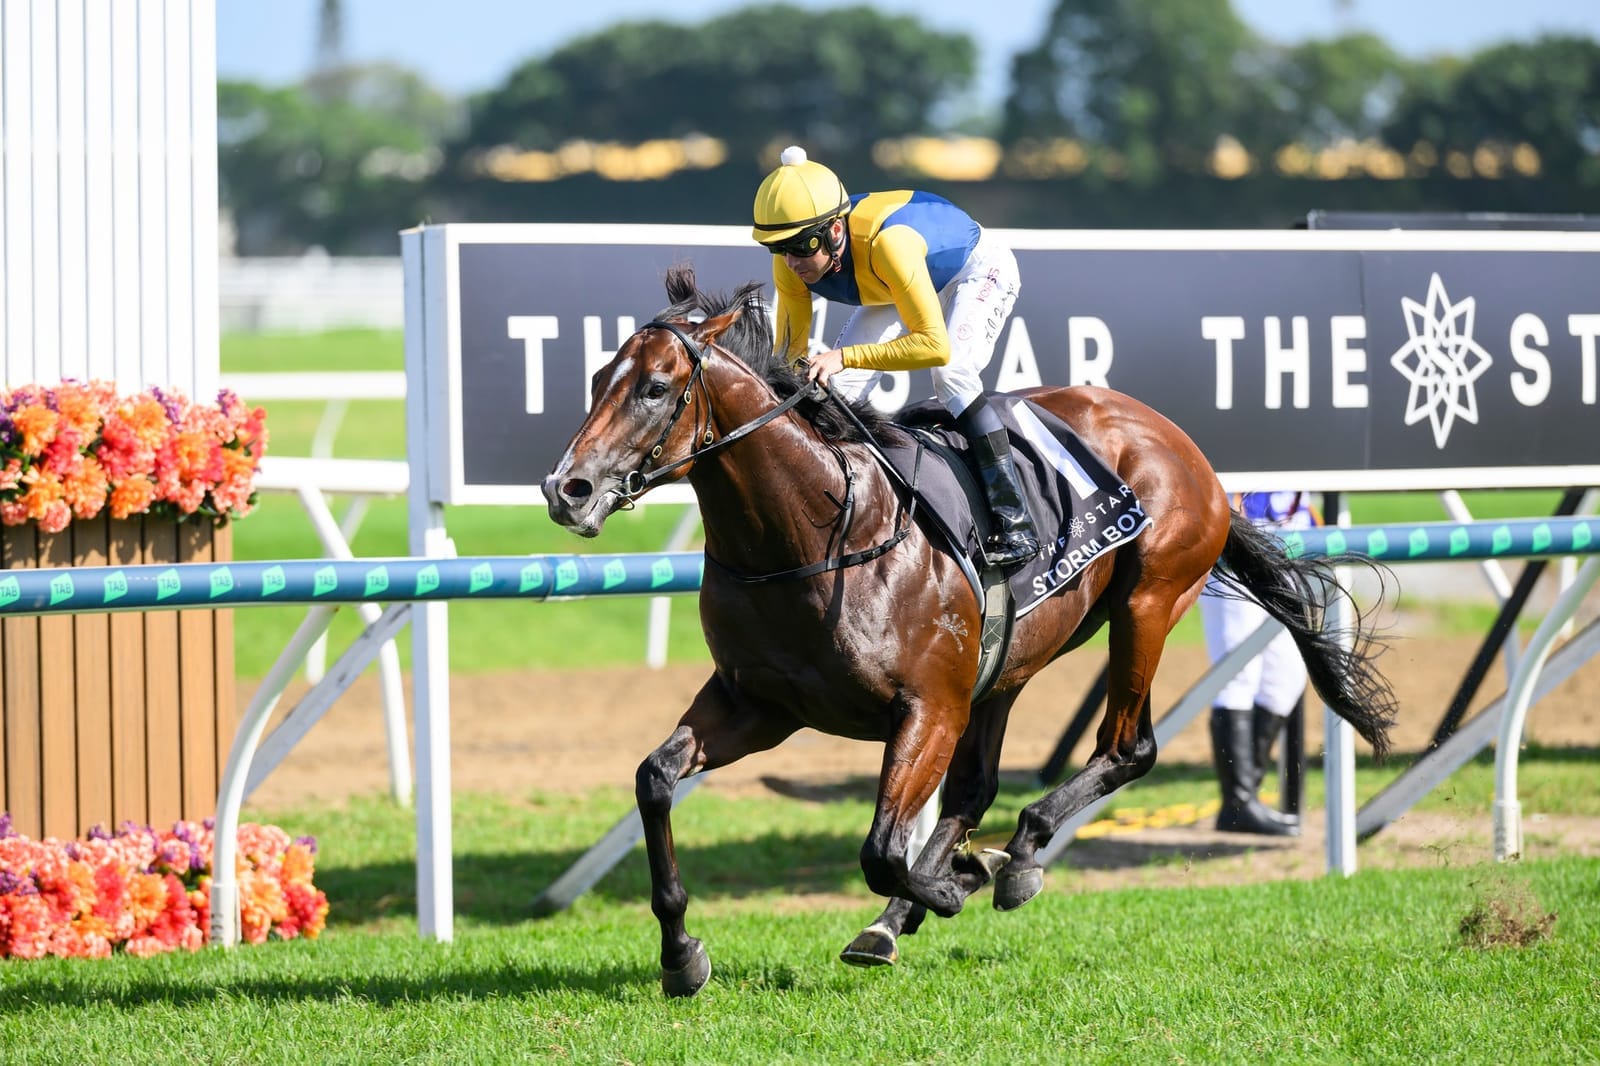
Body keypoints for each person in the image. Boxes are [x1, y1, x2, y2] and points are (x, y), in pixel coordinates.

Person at [749, 145, 1039, 569]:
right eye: (779, 248)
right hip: (891, 284)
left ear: (833, 232)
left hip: (973, 271)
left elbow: (933, 345)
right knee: (831, 395)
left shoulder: (890, 245)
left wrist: (845, 355)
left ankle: (1016, 524)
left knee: (953, 373)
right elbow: (789, 357)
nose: (791, 262)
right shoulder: (791, 263)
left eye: (800, 246)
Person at [1200, 491, 1319, 836]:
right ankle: (1238, 802)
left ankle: (1242, 801)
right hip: (1235, 557)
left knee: (1285, 680)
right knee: (1238, 677)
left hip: (1285, 558)